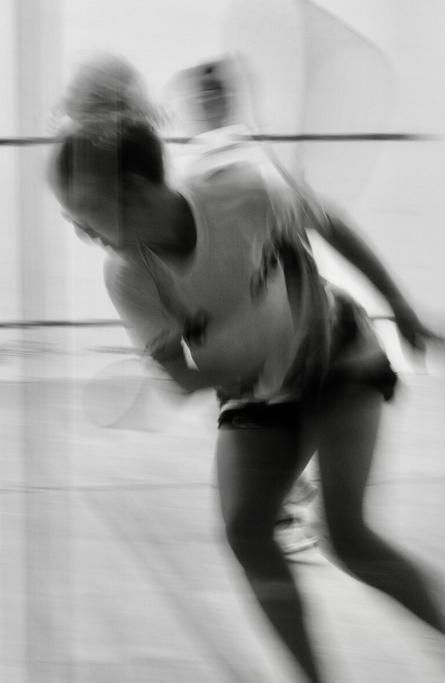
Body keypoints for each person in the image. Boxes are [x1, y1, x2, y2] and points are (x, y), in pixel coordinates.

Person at [49, 54, 445, 682]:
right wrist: (243, 347)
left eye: (83, 210)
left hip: (337, 353)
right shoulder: (129, 274)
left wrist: (403, 311)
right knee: (246, 531)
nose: (78, 229)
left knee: (348, 538)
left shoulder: (236, 190)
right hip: (256, 391)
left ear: (129, 190)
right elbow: (180, 378)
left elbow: (328, 222)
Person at [167, 57, 322, 557]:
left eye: (216, 93)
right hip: (227, 319)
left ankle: (279, 501)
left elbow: (292, 229)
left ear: (228, 98)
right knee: (253, 409)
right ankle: (276, 508)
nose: (210, 101)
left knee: (288, 405)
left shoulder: (250, 155)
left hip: (272, 308)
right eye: (203, 95)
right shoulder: (194, 163)